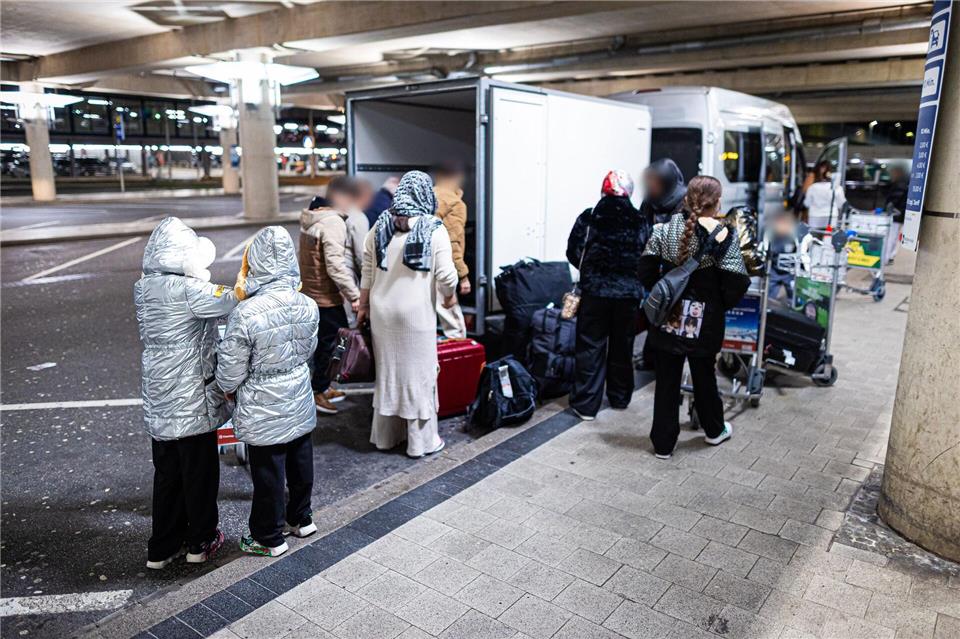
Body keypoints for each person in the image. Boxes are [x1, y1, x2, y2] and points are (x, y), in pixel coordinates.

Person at [134, 217, 236, 570]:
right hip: (191, 399)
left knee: (167, 475)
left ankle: (161, 548)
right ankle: (201, 541)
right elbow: (230, 300)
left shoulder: (144, 288)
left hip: (160, 398)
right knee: (199, 476)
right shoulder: (189, 291)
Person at [217, 227, 319, 558]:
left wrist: (228, 389)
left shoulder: (247, 312)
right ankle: (301, 518)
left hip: (263, 401)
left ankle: (268, 536)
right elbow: (310, 349)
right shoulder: (307, 304)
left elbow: (231, 370)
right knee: (301, 457)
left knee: (268, 470)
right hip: (298, 390)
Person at [639, 175, 750, 459]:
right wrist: (717, 305)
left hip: (669, 317)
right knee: (704, 377)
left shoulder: (664, 230)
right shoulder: (725, 234)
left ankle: (663, 444)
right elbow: (737, 281)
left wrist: (664, 290)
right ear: (718, 202)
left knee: (666, 381)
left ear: (686, 200)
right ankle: (714, 430)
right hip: (706, 323)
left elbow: (646, 270)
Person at [356, 171, 459, 458]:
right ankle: (421, 442)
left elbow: (367, 270)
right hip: (415, 316)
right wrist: (449, 296)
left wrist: (363, 307)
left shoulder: (380, 225)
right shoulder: (432, 228)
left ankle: (387, 437)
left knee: (389, 376)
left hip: (381, 313)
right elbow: (447, 276)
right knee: (419, 377)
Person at [566, 170, 644, 421]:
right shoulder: (640, 220)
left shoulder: (590, 217)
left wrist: (592, 271)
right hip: (628, 295)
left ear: (603, 190)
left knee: (590, 346)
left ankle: (586, 405)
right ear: (629, 192)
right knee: (623, 345)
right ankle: (620, 397)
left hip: (596, 293)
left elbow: (573, 252)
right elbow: (648, 257)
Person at [298, 177, 361, 414]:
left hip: (311, 293)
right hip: (325, 296)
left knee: (323, 344)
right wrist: (354, 296)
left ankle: (322, 388)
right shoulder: (332, 222)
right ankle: (318, 391)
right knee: (334, 344)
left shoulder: (311, 217)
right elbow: (335, 266)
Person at [637, 159, 688, 369]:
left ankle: (662, 359)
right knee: (654, 311)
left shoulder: (684, 202)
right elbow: (642, 228)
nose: (652, 187)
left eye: (656, 182)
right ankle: (652, 357)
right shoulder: (650, 202)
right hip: (652, 265)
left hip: (675, 268)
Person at [433, 161, 470, 338]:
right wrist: (463, 275)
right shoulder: (455, 203)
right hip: (441, 266)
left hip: (418, 266)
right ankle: (461, 360)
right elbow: (452, 242)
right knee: (454, 325)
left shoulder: (429, 195)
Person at [342, 178, 371, 325]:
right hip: (347, 276)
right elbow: (362, 256)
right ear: (364, 196)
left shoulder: (342, 211)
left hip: (337, 276)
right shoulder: (359, 218)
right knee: (351, 324)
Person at [766, 209, 812, 301]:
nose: (782, 227)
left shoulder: (795, 235)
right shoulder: (770, 234)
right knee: (769, 295)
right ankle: (768, 307)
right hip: (774, 269)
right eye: (779, 224)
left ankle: (793, 305)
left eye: (784, 224)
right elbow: (765, 249)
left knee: (793, 294)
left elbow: (803, 251)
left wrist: (805, 269)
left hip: (790, 271)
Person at [803, 161, 846, 230]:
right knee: (829, 237)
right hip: (831, 217)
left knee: (814, 238)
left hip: (815, 217)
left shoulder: (812, 187)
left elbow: (807, 203)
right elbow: (840, 203)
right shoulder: (837, 188)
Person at [884, 165, 908, 263]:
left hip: (895, 215)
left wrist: (889, 208)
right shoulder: (902, 183)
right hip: (899, 215)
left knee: (891, 236)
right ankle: (890, 255)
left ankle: (886, 257)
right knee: (893, 236)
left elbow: (894, 199)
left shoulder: (899, 184)